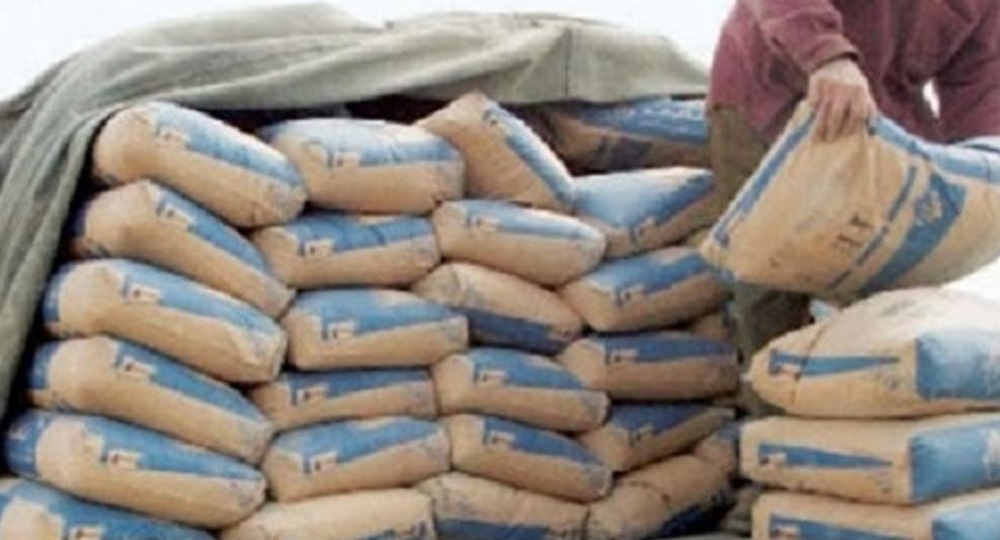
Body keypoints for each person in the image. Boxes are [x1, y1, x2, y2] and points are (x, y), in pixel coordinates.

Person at [708, 0, 1000, 365]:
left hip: (879, 121)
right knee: (772, 289)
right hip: (773, 88)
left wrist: (987, 162)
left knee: (891, 303)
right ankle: (768, 392)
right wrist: (827, 57)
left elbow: (978, 81)